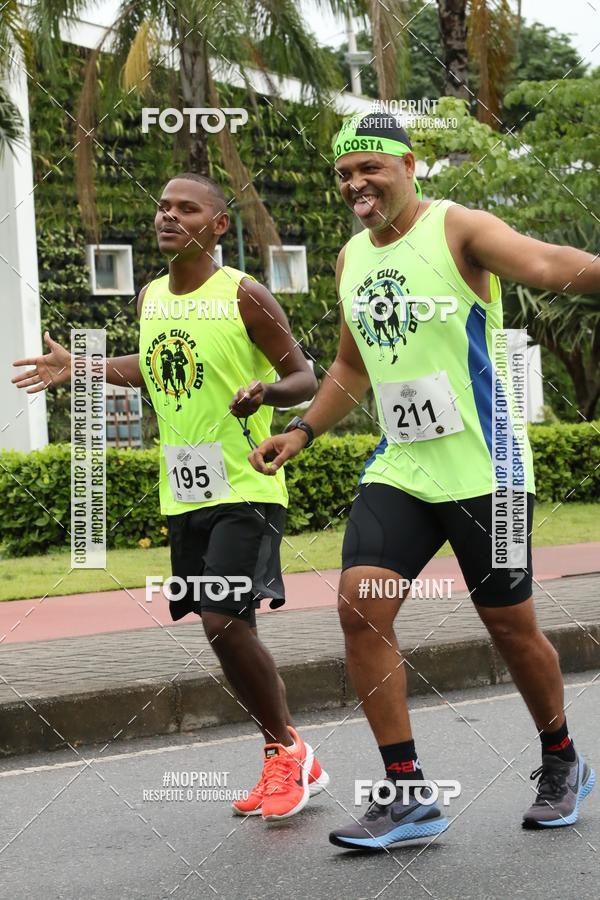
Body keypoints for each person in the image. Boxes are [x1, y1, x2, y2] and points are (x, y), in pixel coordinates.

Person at [248, 115, 598, 848]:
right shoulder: (351, 257)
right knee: (360, 608)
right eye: (345, 174)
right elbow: (351, 366)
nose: (356, 183)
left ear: (408, 166)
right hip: (403, 467)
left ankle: (562, 757)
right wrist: (302, 431)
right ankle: (407, 793)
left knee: (510, 627)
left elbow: (548, 263)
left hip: (491, 470)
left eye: (370, 168)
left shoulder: (458, 228)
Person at [12, 172, 329, 822]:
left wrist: (267, 393)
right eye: (162, 206)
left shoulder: (243, 293)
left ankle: (287, 751)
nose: (168, 216)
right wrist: (82, 367)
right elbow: (153, 367)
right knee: (229, 631)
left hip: (247, 482)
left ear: (218, 224)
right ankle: (289, 754)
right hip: (185, 491)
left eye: (187, 208)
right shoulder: (150, 297)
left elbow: (303, 376)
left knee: (221, 619)